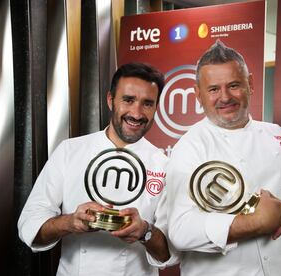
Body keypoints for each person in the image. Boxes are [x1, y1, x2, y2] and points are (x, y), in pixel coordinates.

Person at [166, 40, 281, 276]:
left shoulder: (276, 133)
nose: (225, 97)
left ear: (250, 84)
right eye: (213, 89)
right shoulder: (190, 147)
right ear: (198, 95)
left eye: (234, 85)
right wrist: (255, 223)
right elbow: (181, 230)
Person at [18, 62, 177, 276]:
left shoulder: (165, 166)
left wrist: (145, 231)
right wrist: (70, 222)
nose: (137, 113)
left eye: (147, 103)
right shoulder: (70, 151)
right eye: (128, 100)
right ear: (110, 100)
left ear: (156, 108)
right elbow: (29, 225)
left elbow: (170, 253)